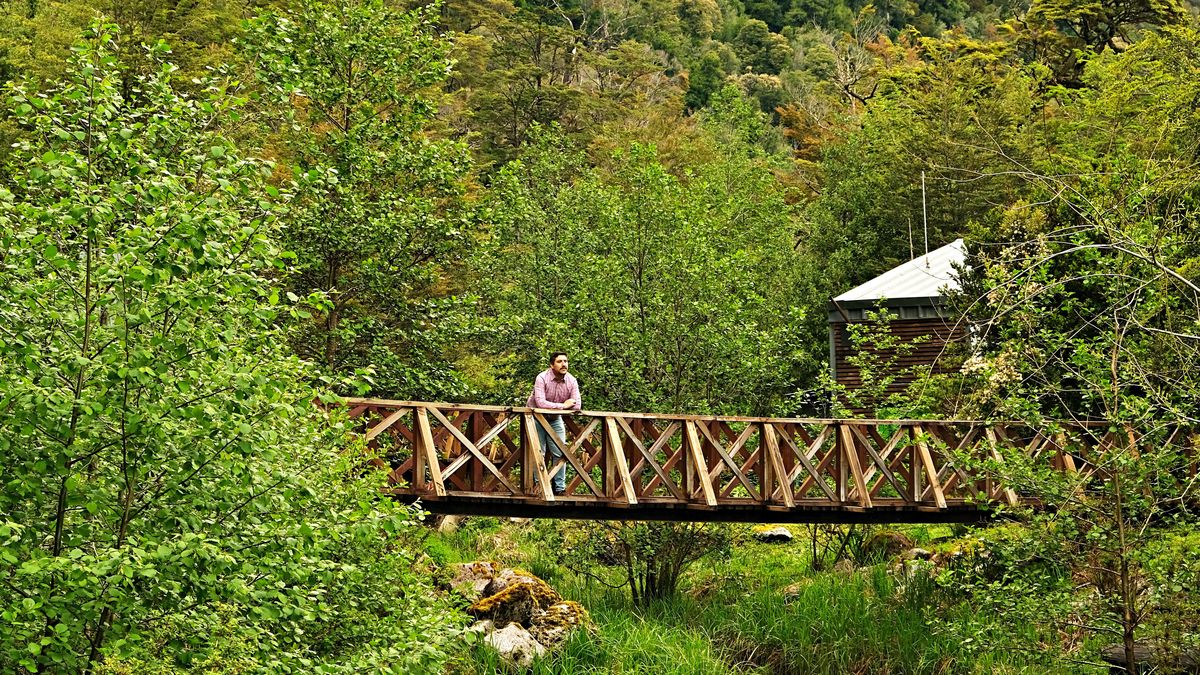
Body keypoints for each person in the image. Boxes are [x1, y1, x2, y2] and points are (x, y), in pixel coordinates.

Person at [526, 352, 581, 495]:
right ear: (552, 365)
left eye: (566, 361)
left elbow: (577, 405)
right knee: (539, 452)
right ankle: (540, 486)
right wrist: (563, 406)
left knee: (560, 452)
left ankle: (559, 488)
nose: (564, 364)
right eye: (559, 361)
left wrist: (559, 407)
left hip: (555, 419)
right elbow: (540, 403)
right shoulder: (542, 378)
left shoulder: (571, 380)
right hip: (536, 417)